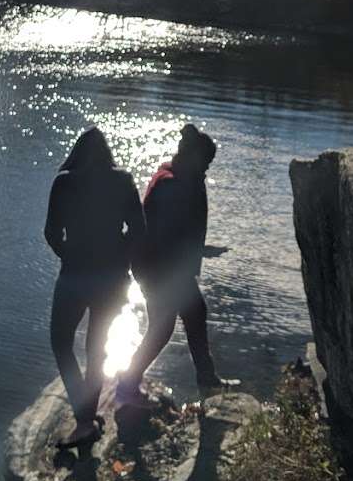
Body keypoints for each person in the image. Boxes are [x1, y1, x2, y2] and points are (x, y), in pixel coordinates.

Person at [44, 127, 145, 448]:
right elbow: (139, 230)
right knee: (96, 348)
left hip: (75, 275)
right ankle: (86, 418)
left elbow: (50, 233)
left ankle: (84, 418)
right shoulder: (124, 180)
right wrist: (119, 258)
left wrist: (70, 254)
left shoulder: (65, 181)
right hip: (113, 279)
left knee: (61, 342)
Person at [116, 123, 228, 403]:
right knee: (164, 327)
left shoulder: (182, 176)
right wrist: (202, 252)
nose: (207, 170)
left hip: (165, 265)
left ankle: (206, 379)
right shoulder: (170, 184)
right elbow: (162, 236)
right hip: (158, 268)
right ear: (192, 157)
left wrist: (198, 251)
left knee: (194, 313)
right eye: (206, 163)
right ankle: (128, 382)